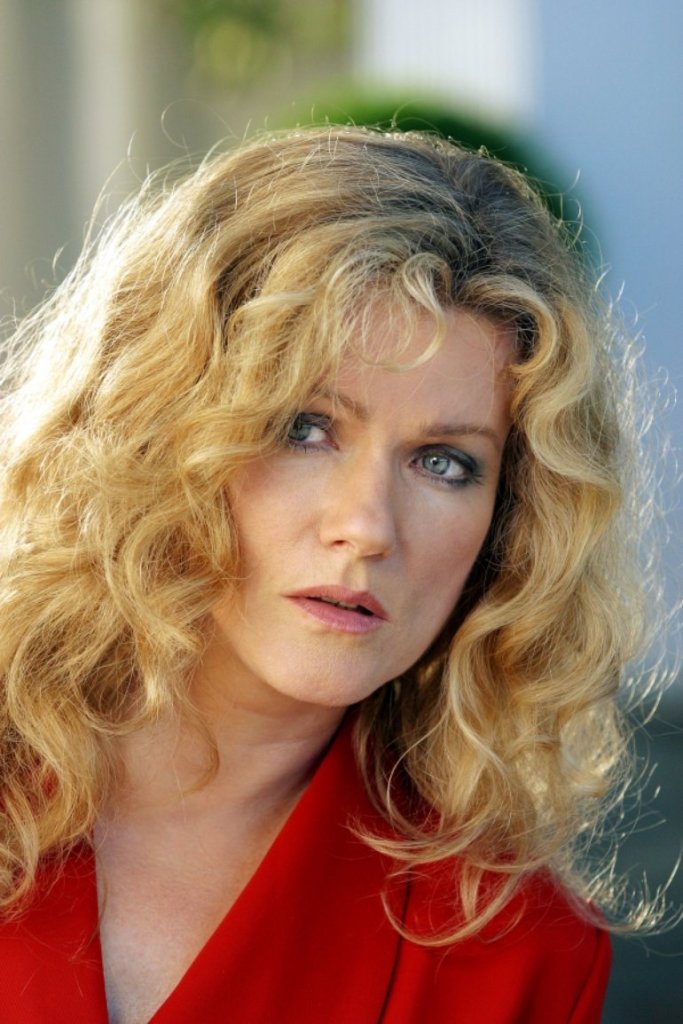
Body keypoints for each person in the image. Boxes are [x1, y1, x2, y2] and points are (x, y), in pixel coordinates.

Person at [0, 126, 663, 1023]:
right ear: (155, 430)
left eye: (443, 463)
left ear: (510, 525)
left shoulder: (514, 953)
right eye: (304, 429)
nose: (367, 528)